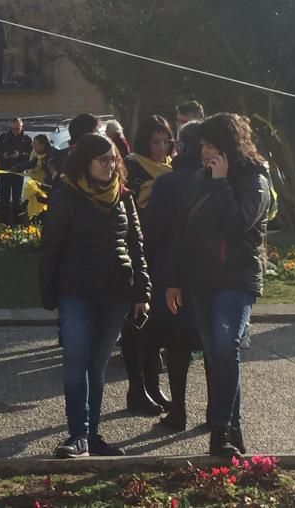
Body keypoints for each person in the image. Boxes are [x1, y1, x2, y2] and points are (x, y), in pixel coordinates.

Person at [38, 133, 151, 458]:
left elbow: (136, 246)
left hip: (116, 291)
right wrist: (50, 298)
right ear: (85, 163)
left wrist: (142, 290)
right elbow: (51, 249)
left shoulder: (123, 196)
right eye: (103, 159)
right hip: (76, 290)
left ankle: (91, 434)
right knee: (76, 360)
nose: (110, 165)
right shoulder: (67, 196)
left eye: (113, 158)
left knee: (96, 365)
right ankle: (77, 434)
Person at [166, 113, 270, 458]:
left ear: (228, 147)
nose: (203, 151)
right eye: (202, 144)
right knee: (218, 354)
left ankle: (220, 429)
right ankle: (233, 431)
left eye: (211, 145)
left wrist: (221, 182)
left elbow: (236, 223)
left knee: (226, 347)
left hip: (237, 279)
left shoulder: (254, 179)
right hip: (200, 279)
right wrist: (174, 281)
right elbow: (182, 233)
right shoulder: (197, 179)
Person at [141, 120, 207, 432]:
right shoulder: (217, 178)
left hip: (171, 269)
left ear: (179, 146)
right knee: (212, 347)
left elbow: (151, 231)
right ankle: (216, 414)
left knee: (177, 345)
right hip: (209, 270)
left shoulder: (169, 183)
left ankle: (178, 411)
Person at [121, 114, 176, 414]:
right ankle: (136, 388)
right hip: (138, 253)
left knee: (156, 327)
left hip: (164, 255)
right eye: (155, 140)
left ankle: (154, 386)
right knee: (135, 324)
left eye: (166, 139)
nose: (162, 146)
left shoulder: (174, 167)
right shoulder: (132, 166)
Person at [0, 118, 33, 225]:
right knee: (4, 201)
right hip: (4, 172)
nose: (16, 131)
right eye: (14, 129)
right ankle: (3, 225)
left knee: (17, 201)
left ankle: (17, 225)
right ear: (11, 127)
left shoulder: (27, 139)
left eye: (18, 128)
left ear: (22, 127)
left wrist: (20, 155)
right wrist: (3, 155)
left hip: (18, 172)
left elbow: (31, 155)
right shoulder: (3, 137)